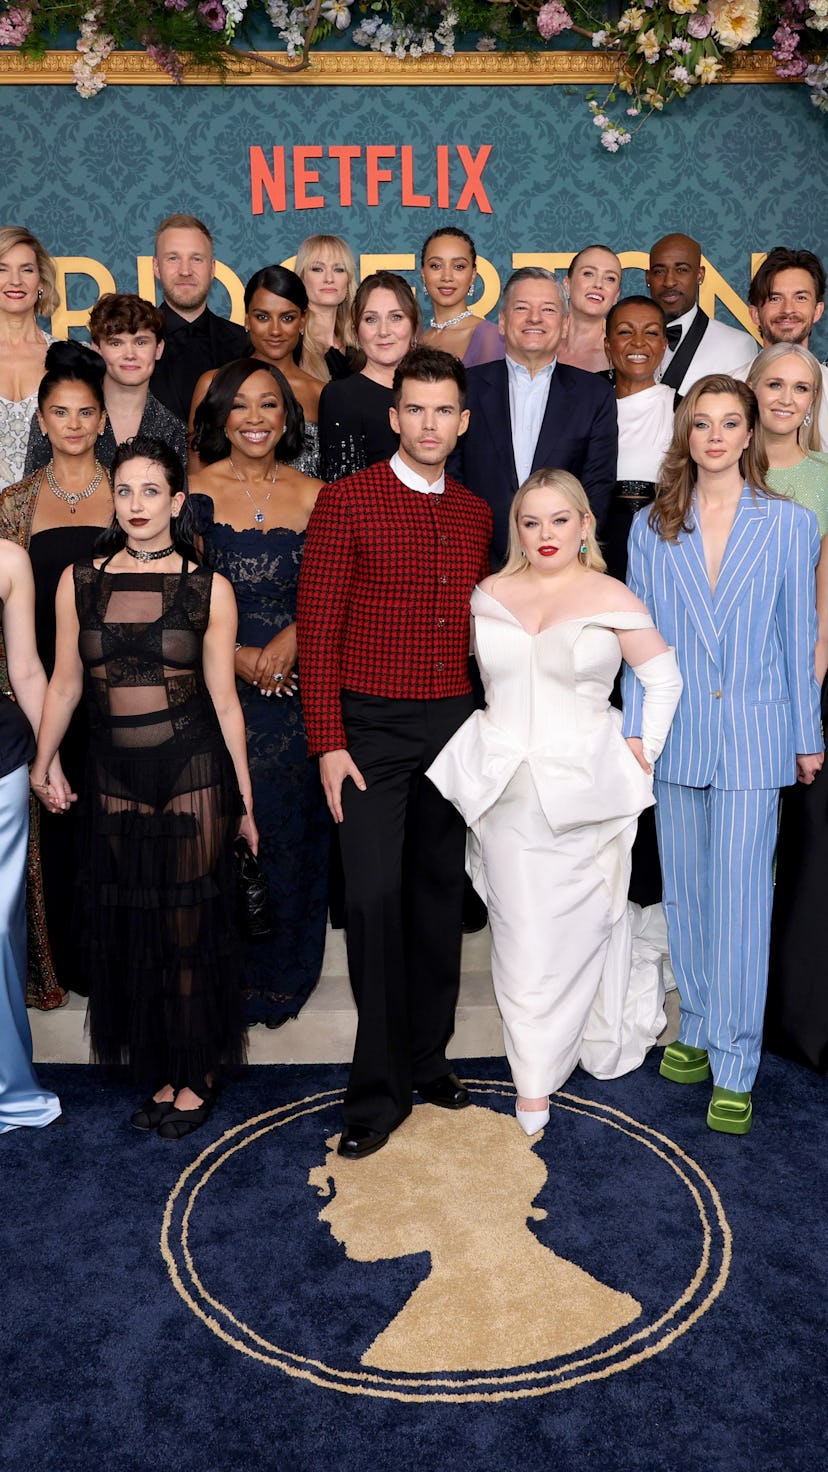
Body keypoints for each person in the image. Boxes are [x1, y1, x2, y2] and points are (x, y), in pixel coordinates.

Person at [428, 470, 682, 1134]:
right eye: (531, 522)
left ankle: (550, 1059)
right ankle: (534, 1077)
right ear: (517, 530)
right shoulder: (488, 594)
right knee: (519, 934)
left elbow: (664, 677)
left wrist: (643, 746)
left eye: (559, 520)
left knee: (573, 933)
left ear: (585, 525)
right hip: (505, 790)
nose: (545, 534)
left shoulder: (610, 593)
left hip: (586, 788)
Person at [30, 435, 257, 1138]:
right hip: (114, 775)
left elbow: (224, 702)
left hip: (193, 774)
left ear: (177, 502)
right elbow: (67, 683)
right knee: (141, 932)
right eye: (124, 490)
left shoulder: (206, 586)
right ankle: (162, 1068)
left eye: (151, 491)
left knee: (187, 929)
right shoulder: (80, 580)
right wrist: (45, 762)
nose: (135, 504)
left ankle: (196, 1075)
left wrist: (245, 804)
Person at [297, 346, 493, 1160]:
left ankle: (427, 1059)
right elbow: (317, 632)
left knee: (436, 898)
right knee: (375, 901)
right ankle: (376, 1094)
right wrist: (327, 743)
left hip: (453, 724)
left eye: (443, 410)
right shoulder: (346, 501)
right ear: (393, 416)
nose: (428, 424)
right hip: (368, 730)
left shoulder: (481, 512)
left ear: (463, 421)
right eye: (415, 409)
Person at [623, 375, 823, 1135]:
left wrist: (806, 736)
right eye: (700, 423)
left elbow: (798, 640)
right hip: (676, 738)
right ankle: (700, 1024)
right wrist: (637, 729)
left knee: (742, 901)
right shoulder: (651, 527)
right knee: (689, 893)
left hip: (754, 732)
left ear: (749, 435)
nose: (714, 436)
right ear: (686, 435)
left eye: (729, 422)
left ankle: (736, 1059)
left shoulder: (790, 525)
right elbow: (635, 641)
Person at [189, 359, 329, 1029]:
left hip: (300, 692)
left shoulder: (317, 493)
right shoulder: (191, 492)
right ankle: (228, 978)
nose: (253, 417)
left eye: (268, 404)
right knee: (224, 832)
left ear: (287, 417)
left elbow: (336, 589)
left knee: (293, 829)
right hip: (215, 688)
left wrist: (293, 638)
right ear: (221, 416)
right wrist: (238, 655)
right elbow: (175, 595)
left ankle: (285, 976)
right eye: (240, 405)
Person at [308, 1105, 641, 1370]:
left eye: (351, 1195)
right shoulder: (426, 1320)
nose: (329, 1213)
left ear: (445, 1196)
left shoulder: (423, 1337)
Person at [0, 340, 113, 1008]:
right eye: (60, 412)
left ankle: (114, 964)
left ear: (102, 419)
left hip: (118, 692)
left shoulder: (130, 491)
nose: (73, 423)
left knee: (110, 830)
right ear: (41, 420)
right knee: (56, 833)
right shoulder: (13, 504)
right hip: (38, 690)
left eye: (85, 412)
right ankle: (57, 965)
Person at [746, 344, 828, 1072]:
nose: (785, 396)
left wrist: (803, 702)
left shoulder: (825, 481)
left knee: (804, 855)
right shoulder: (721, 466)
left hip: (804, 688)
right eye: (774, 382)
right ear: (753, 388)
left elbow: (822, 608)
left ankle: (796, 1020)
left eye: (800, 387)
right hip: (728, 693)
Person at [449, 266, 617, 567]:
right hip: (479, 566)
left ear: (564, 325)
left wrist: (568, 555)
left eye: (548, 309)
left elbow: (597, 486)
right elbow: (452, 476)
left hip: (563, 570)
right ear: (501, 322)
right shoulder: (464, 387)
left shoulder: (595, 395)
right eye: (522, 308)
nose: (535, 318)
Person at [0, 538, 62, 1132]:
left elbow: (25, 667)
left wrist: (50, 759)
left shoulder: (7, 560)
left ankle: (8, 1090)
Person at [25, 293, 187, 474]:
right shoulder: (57, 417)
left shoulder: (173, 429)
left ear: (158, 349)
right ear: (97, 349)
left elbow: (177, 499)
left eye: (141, 342)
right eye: (116, 343)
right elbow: (31, 494)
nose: (130, 354)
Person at [188, 265, 322, 477]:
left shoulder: (321, 394)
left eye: (287, 318)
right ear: (247, 320)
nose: (275, 330)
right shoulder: (213, 383)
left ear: (303, 321)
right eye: (263, 317)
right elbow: (196, 480)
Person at [317, 270, 419, 483]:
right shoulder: (341, 396)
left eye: (396, 317)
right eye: (371, 319)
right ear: (356, 331)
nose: (384, 331)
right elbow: (342, 487)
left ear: (414, 325)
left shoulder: (435, 391)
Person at [149, 213, 248, 422]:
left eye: (196, 259)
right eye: (173, 258)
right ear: (156, 267)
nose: (185, 271)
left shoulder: (244, 344)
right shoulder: (131, 346)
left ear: (212, 268)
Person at [602, 295, 674, 581]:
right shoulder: (583, 405)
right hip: (595, 552)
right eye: (625, 332)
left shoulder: (684, 408)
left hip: (664, 550)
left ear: (664, 345)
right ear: (607, 343)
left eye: (651, 333)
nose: (638, 342)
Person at [733, 247, 828, 451]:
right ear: (755, 314)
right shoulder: (729, 390)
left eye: (800, 298)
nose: (787, 310)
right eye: (775, 299)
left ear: (818, 310)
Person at [646, 233, 757, 398]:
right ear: (648, 277)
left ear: (700, 275)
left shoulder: (736, 345)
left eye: (681, 270)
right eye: (659, 271)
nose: (669, 281)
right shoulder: (627, 342)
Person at [0, 226, 58, 487]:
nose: (15, 280)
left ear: (41, 282)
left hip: (50, 513)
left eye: (26, 269)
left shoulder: (69, 358)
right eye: (2, 269)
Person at [417, 226, 504, 367]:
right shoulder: (418, 341)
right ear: (423, 274)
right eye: (436, 266)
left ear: (473, 275)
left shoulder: (490, 337)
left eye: (458, 267)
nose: (446, 277)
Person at [294, 233, 358, 382]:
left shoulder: (360, 347)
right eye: (317, 269)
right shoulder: (290, 344)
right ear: (302, 277)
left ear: (348, 281)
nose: (329, 279)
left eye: (338, 270)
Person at [558, 244, 623, 374]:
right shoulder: (539, 344)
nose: (598, 284)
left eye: (610, 278)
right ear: (567, 284)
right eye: (588, 274)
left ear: (616, 295)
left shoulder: (618, 357)